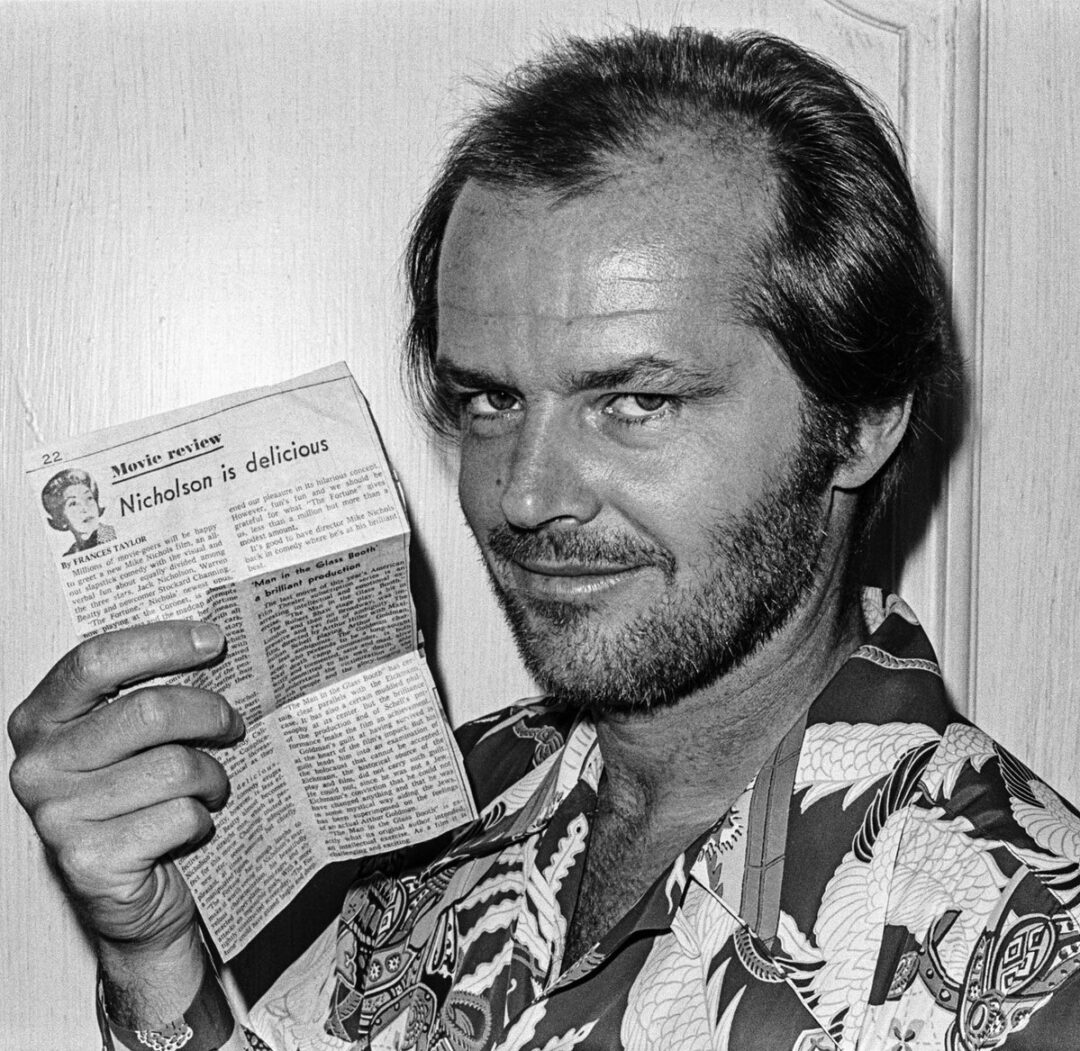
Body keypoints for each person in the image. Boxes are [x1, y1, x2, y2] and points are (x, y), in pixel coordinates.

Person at [9, 26, 1080, 1051]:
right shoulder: (460, 795)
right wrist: (152, 953)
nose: (522, 496)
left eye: (638, 402)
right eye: (490, 399)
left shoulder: (1023, 957)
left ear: (860, 420)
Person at [41, 467, 117, 555]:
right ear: (61, 518)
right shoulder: (70, 555)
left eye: (89, 498)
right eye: (73, 503)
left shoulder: (114, 535)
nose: (85, 508)